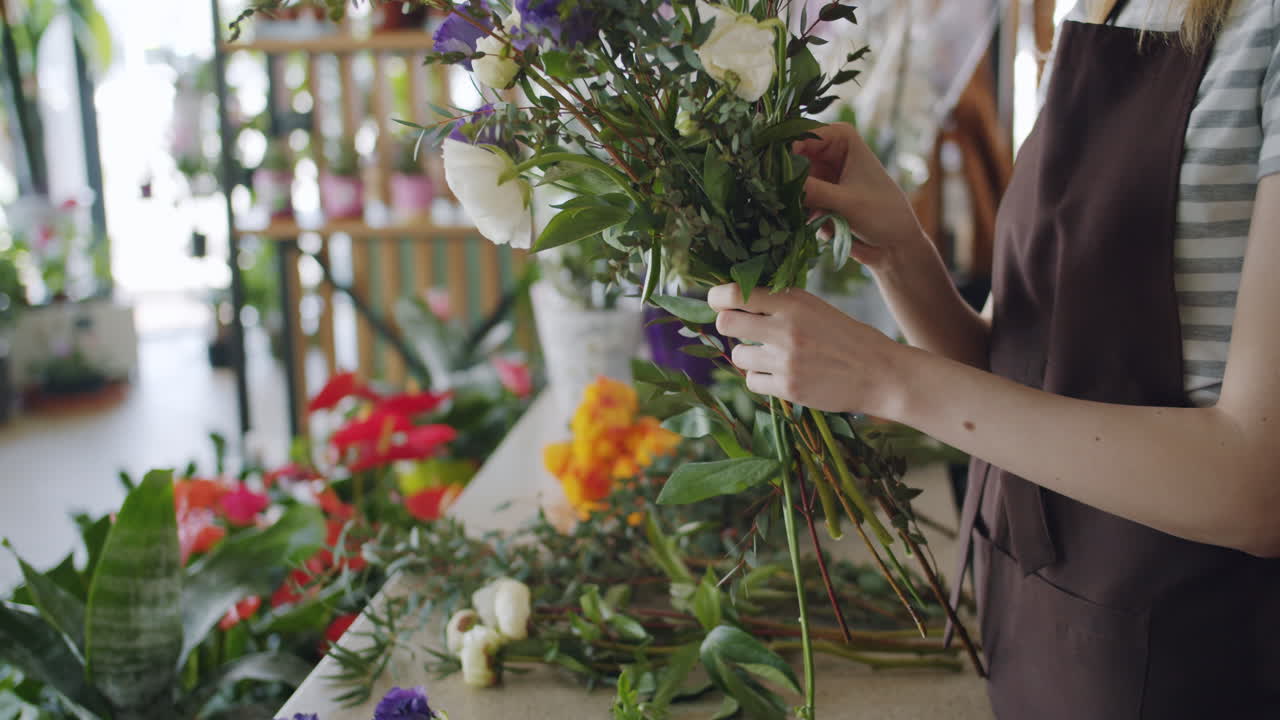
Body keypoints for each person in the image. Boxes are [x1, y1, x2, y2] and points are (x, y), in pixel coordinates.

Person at [708, 0, 1280, 717]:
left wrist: (887, 378)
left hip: (1190, 657)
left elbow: (1259, 488)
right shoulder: (1100, 10)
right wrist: (901, 254)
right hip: (1039, 627)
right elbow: (1028, 374)